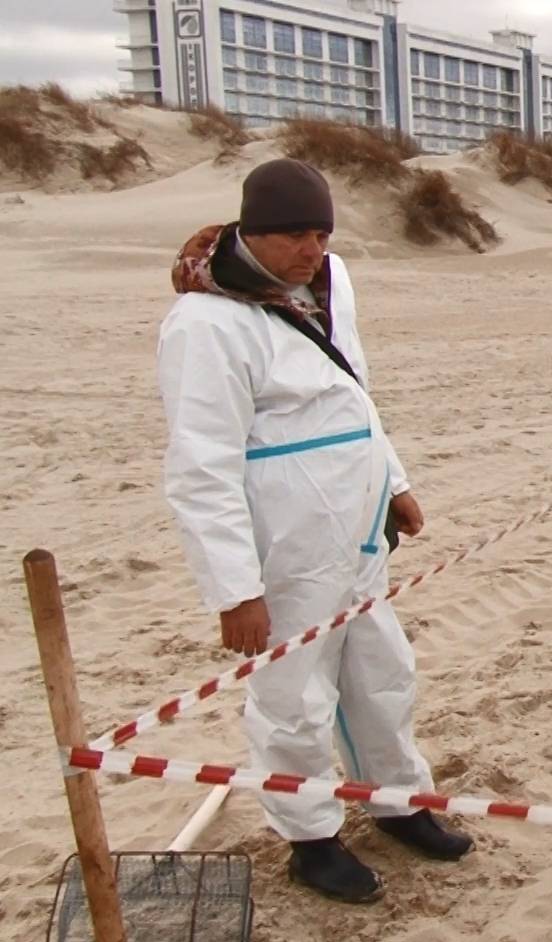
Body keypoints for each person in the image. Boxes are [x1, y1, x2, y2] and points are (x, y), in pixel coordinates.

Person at [157, 159, 471, 904]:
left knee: (382, 674)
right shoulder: (204, 324)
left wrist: (394, 485)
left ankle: (398, 803)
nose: (311, 248)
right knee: (294, 698)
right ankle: (310, 837)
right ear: (252, 232)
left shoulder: (329, 285)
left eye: (321, 233)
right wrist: (235, 589)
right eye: (294, 234)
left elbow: (352, 388)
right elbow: (200, 466)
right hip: (288, 544)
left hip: (357, 531)